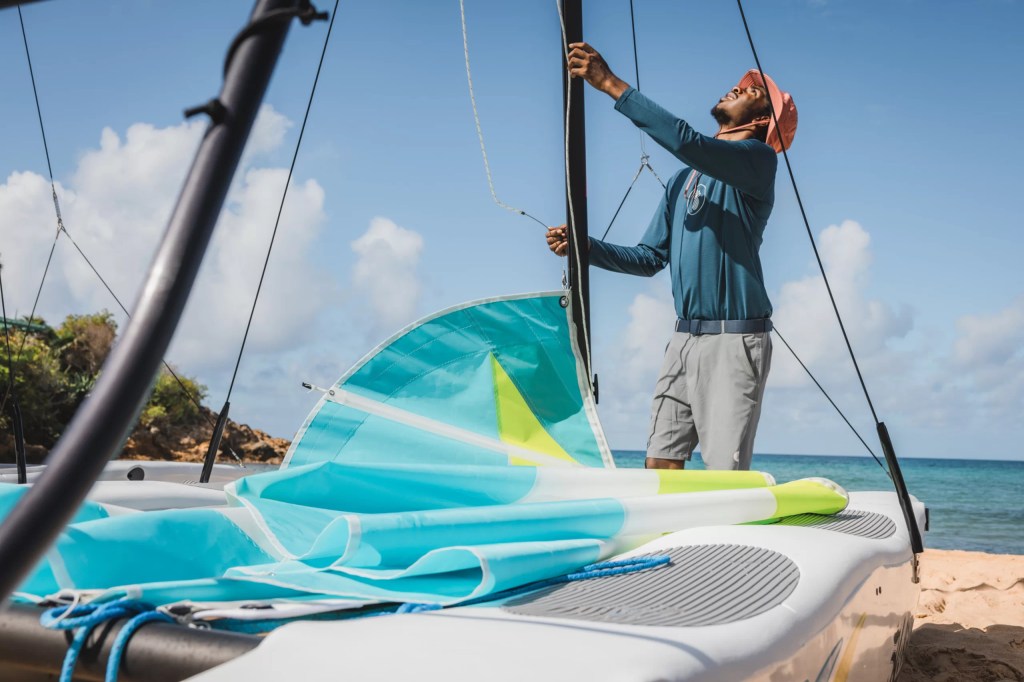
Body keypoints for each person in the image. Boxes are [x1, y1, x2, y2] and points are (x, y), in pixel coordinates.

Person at [547, 42, 797, 471]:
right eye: (740, 83)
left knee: (724, 474)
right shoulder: (683, 179)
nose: (737, 87)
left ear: (761, 121)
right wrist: (585, 248)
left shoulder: (760, 160)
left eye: (753, 91)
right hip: (683, 339)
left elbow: (689, 143)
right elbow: (648, 258)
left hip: (734, 339)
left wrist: (609, 84)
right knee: (659, 464)